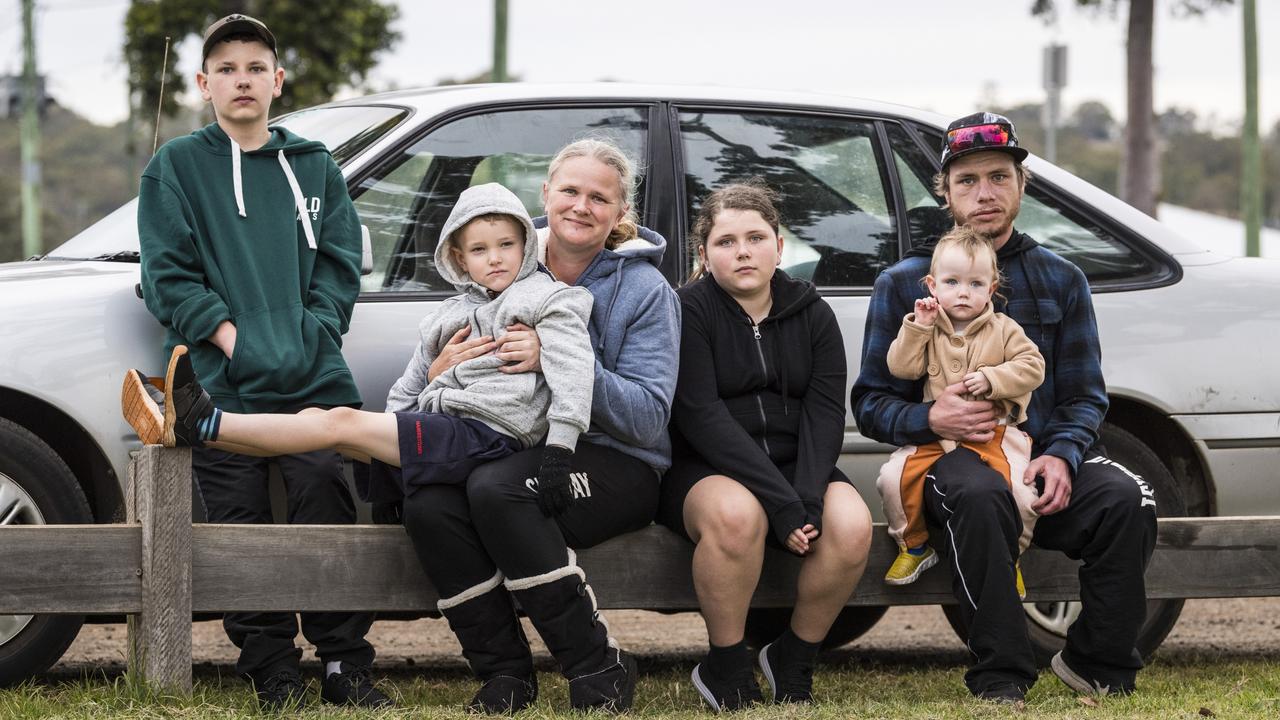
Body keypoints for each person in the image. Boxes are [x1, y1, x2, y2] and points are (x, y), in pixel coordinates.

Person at [851, 112, 1158, 703]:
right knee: (979, 493)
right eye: (967, 180)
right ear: (945, 192)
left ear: (1023, 185)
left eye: (998, 177)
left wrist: (1064, 457)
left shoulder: (1061, 278)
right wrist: (929, 418)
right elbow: (870, 403)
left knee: (1128, 499)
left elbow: (1084, 395)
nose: (984, 193)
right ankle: (1002, 676)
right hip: (953, 459)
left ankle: (1099, 664)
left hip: (1038, 461)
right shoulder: (906, 283)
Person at [129, 14, 389, 711]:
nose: (241, 79)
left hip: (312, 382)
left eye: (255, 67)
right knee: (237, 518)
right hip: (217, 381)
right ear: (204, 82)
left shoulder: (314, 166)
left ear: (277, 81)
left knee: (323, 500)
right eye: (226, 68)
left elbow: (339, 269)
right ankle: (272, 667)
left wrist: (309, 335)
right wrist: (237, 339)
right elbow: (168, 275)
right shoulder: (176, 167)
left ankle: (344, 664)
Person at [389, 138, 682, 714]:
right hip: (513, 445)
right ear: (544, 195)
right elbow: (441, 366)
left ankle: (596, 663)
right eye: (569, 190)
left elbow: (649, 417)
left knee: (497, 491)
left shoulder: (646, 291)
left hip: (618, 461)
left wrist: (561, 356)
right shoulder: (502, 262)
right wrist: (444, 369)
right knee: (430, 506)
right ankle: (504, 673)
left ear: (621, 213)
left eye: (599, 198)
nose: (581, 205)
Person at [123, 182, 594, 499]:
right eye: (479, 249)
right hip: (446, 429)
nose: (495, 259)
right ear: (457, 257)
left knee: (340, 423)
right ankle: (194, 431)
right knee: (317, 423)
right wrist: (389, 454)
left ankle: (200, 420)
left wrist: (559, 451)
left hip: (494, 436)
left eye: (507, 245)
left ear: (527, 244)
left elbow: (574, 373)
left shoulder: (549, 299)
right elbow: (405, 393)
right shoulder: (445, 316)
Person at [658, 181, 873, 710]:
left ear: (779, 245)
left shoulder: (812, 312)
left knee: (851, 527)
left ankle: (794, 654)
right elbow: (700, 416)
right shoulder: (687, 311)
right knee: (736, 516)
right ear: (704, 254)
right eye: (726, 241)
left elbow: (825, 412)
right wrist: (782, 504)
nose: (743, 251)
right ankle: (726, 663)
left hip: (796, 463)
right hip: (705, 466)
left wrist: (806, 498)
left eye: (756, 237)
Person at [877, 225, 1044, 596]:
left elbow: (1033, 367)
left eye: (975, 284)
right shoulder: (928, 327)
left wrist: (993, 378)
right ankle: (914, 545)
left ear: (991, 290)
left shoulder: (1004, 328)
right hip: (939, 435)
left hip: (995, 433)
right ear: (932, 286)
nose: (964, 293)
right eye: (952, 283)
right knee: (893, 478)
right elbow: (901, 368)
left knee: (1019, 493)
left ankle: (1008, 557)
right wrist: (917, 327)